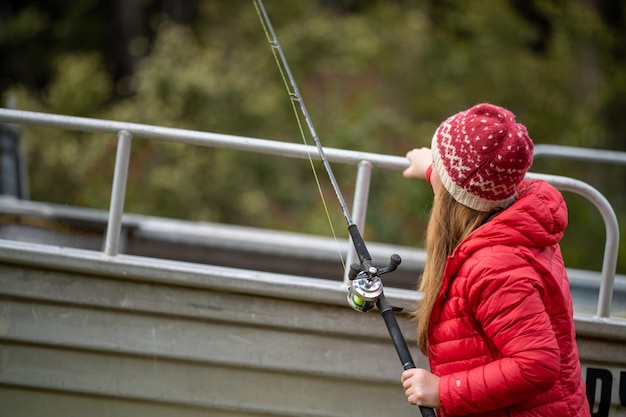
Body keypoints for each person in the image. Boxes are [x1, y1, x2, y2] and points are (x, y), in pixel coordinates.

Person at [400, 103, 590, 417]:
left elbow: (537, 365)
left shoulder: (494, 268)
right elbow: (469, 186)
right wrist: (432, 169)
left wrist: (444, 391)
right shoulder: (519, 223)